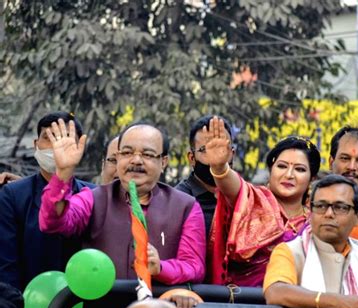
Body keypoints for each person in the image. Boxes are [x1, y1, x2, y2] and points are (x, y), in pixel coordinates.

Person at [39, 120, 206, 285]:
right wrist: (63, 173)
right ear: (117, 157)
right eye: (127, 153)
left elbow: (194, 267)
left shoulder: (186, 207)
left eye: (147, 154)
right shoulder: (92, 198)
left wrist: (161, 268)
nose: (136, 160)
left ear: (163, 162)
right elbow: (53, 223)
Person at [264, 175, 358, 308]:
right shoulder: (290, 251)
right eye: (321, 206)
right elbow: (276, 291)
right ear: (310, 211)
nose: (329, 214)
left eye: (340, 207)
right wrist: (338, 302)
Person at [202, 116, 321, 286]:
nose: (289, 175)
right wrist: (220, 168)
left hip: (298, 304)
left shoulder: (316, 221)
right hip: (243, 304)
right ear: (271, 170)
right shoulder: (254, 199)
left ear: (312, 178)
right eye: (282, 166)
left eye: (300, 169)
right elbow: (233, 187)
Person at [0, 111, 95, 290]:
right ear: (36, 144)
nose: (56, 145)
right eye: (48, 138)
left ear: (80, 145)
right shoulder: (12, 195)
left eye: (65, 137)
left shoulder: (92, 195)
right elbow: (6, 264)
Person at [175, 115, 234, 236]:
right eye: (205, 150)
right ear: (192, 158)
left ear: (232, 154)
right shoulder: (178, 202)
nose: (216, 157)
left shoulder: (243, 196)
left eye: (222, 148)